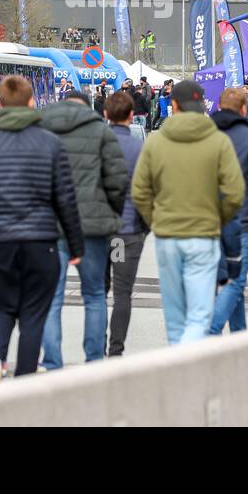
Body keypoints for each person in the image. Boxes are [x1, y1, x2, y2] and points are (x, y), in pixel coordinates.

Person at [0, 75, 83, 380]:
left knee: (1, 308)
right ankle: (25, 376)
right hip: (41, 241)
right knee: (33, 314)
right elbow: (64, 198)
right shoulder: (50, 143)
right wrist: (76, 245)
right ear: (32, 102)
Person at [131, 80, 244, 345]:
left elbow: (139, 191)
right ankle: (189, 368)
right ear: (201, 105)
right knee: (199, 316)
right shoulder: (218, 142)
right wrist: (216, 218)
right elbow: (235, 192)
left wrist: (156, 219)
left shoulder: (156, 143)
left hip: (168, 236)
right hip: (204, 236)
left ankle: (177, 368)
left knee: (174, 317)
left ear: (173, 105)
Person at [38, 90, 128, 370]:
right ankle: (94, 362)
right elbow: (117, 181)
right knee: (94, 295)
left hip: (50, 225)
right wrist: (110, 211)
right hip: (91, 225)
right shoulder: (101, 133)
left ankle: (53, 362)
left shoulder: (41, 130)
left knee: (51, 299)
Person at [209, 87, 248, 334]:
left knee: (231, 278)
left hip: (212, 220)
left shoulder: (207, 137)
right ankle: (210, 331)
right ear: (244, 109)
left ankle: (239, 336)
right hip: (245, 220)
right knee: (236, 280)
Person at [105, 91, 147, 356]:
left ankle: (94, 346)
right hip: (129, 230)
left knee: (97, 293)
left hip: (99, 231)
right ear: (132, 116)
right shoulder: (140, 149)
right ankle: (115, 349)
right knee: (122, 293)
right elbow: (148, 191)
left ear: (106, 115)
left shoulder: (96, 146)